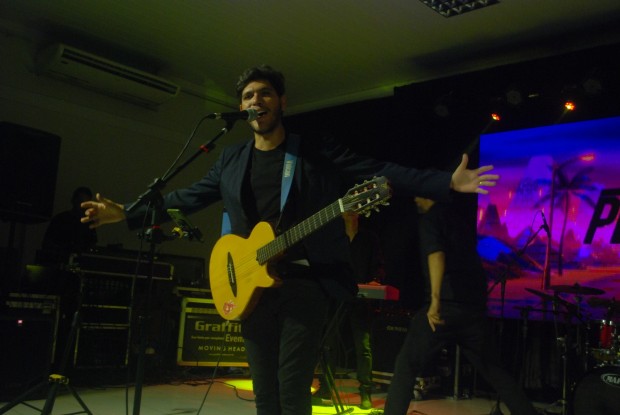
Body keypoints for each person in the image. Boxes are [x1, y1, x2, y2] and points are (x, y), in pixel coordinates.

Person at [80, 65, 498, 415]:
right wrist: (127, 213)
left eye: (264, 93)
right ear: (241, 107)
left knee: (293, 389)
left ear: (281, 102)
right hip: (252, 286)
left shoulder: (311, 150)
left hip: (305, 283)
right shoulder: (231, 159)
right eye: (248, 95)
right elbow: (184, 199)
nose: (255, 100)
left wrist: (445, 182)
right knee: (265, 394)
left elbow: (376, 168)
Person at [382, 196, 538, 415]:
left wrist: (435, 301)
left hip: (444, 308)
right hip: (472, 310)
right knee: (495, 372)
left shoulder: (431, 219)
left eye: (418, 193)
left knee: (406, 366)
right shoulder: (458, 220)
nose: (415, 199)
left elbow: (436, 255)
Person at [313, 212, 384, 409]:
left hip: (361, 298)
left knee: (363, 346)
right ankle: (326, 389)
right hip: (337, 296)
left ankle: (365, 392)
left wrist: (375, 281)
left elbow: (378, 266)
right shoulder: (334, 238)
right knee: (329, 343)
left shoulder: (369, 238)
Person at [39, 186, 98, 264]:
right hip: (57, 263)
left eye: (86, 204)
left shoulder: (89, 223)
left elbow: (92, 246)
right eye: (80, 202)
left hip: (79, 264)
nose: (82, 207)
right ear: (74, 201)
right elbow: (48, 245)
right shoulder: (60, 220)